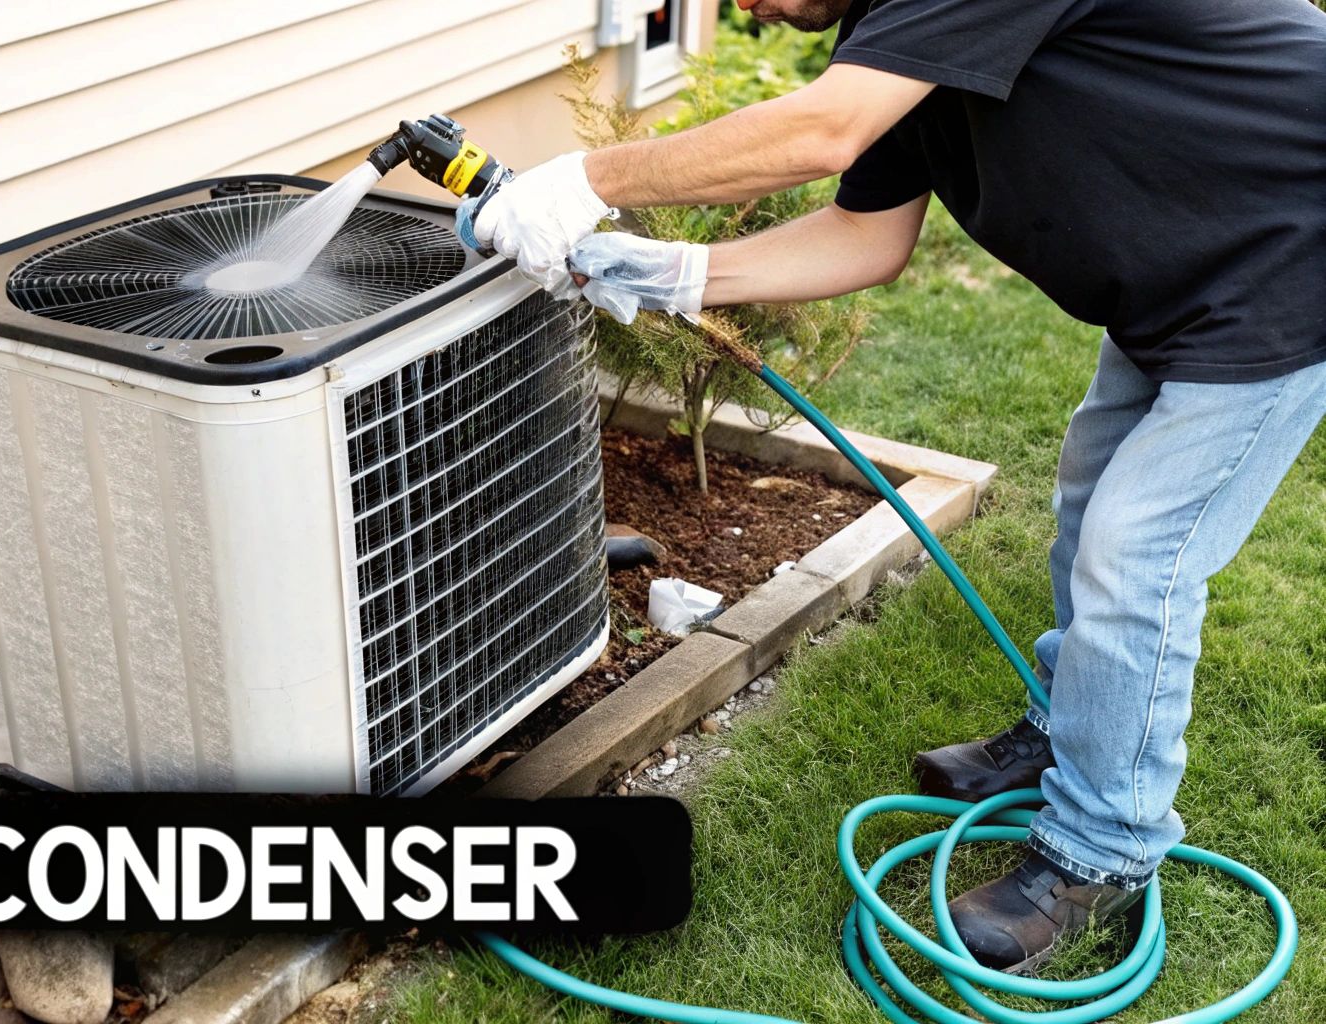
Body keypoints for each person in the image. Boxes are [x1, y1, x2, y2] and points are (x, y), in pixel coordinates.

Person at [472, 0, 1326, 974]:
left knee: (1137, 556)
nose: (740, 7)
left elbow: (821, 130)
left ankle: (1103, 848)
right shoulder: (893, 37)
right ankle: (1071, 727)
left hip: (1283, 265)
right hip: (1184, 277)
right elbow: (865, 236)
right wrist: (675, 273)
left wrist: (582, 180)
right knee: (1088, 507)